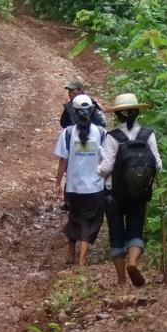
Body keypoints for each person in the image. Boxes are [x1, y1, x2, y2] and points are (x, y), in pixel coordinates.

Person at [99, 93, 163, 287]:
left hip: (114, 193)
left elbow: (107, 168)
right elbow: (158, 165)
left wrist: (97, 169)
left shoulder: (112, 137)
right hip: (139, 193)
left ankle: (121, 281)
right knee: (136, 230)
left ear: (118, 115)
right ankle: (133, 262)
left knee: (116, 234)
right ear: (136, 113)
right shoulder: (148, 134)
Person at [54, 94, 107, 266]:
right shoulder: (101, 133)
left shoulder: (67, 134)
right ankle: (82, 260)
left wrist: (58, 183)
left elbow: (63, 161)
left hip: (74, 188)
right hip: (95, 187)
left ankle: (70, 254)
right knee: (90, 222)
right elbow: (107, 159)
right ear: (91, 112)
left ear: (75, 113)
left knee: (75, 218)